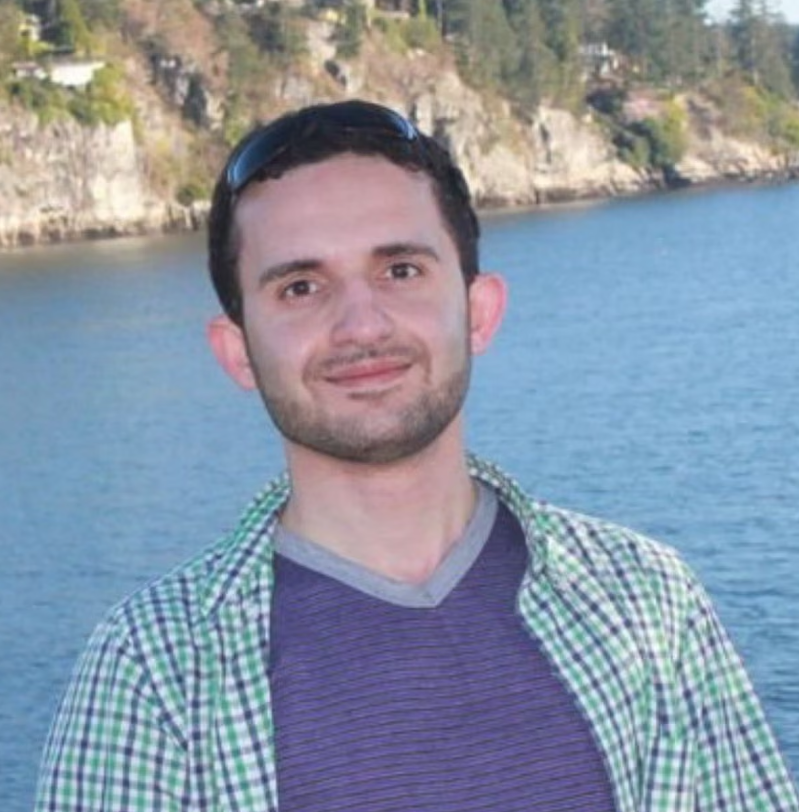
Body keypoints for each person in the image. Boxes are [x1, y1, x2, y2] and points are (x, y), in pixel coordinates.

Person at [36, 99, 797, 812]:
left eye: (399, 270)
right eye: (300, 287)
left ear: (479, 312)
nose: (361, 325)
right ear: (237, 353)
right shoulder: (155, 669)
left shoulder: (647, 603)